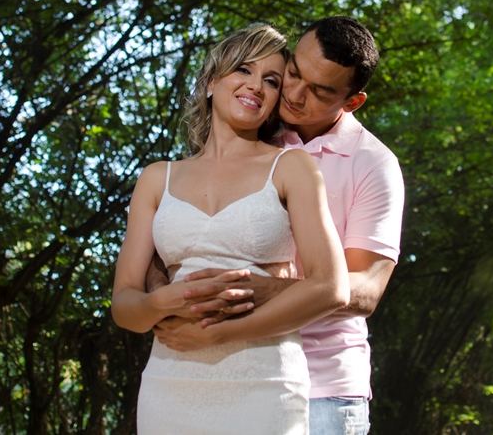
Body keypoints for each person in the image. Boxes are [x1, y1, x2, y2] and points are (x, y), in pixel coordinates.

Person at [155, 16, 405, 435]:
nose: (293, 94)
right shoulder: (250, 126)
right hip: (230, 369)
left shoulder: (374, 165)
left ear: (352, 102)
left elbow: (367, 288)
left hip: (324, 388)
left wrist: (274, 291)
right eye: (292, 73)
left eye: (319, 90)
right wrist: (158, 296)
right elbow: (176, 229)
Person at [111, 24, 350, 434]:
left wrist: (222, 334)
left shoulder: (292, 167)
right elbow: (124, 306)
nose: (256, 86)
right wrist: (161, 303)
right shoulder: (156, 178)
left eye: (271, 80)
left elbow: (332, 288)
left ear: (276, 100)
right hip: (170, 381)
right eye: (243, 69)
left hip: (265, 383)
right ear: (210, 82)